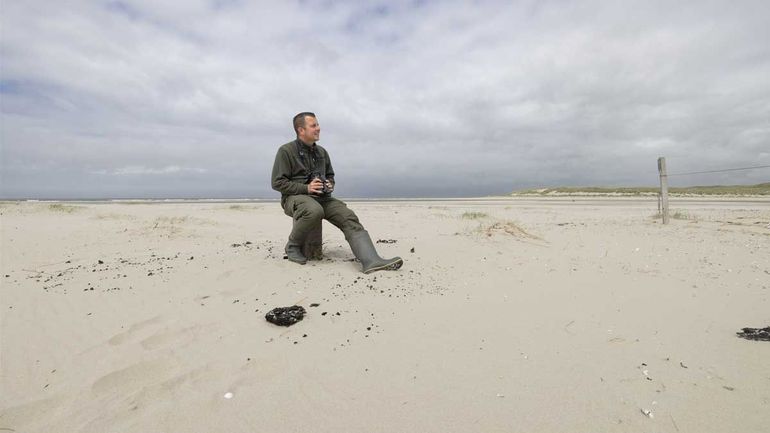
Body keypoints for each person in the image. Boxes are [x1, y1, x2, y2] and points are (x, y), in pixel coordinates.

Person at [271, 112, 403, 273]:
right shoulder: (286, 151)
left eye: (317, 124)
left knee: (348, 216)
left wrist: (329, 184)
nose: (318, 128)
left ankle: (371, 260)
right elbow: (277, 182)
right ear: (301, 130)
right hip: (294, 199)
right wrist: (306, 188)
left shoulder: (322, 152)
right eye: (313, 125)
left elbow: (330, 175)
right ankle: (292, 246)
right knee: (313, 210)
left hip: (322, 198)